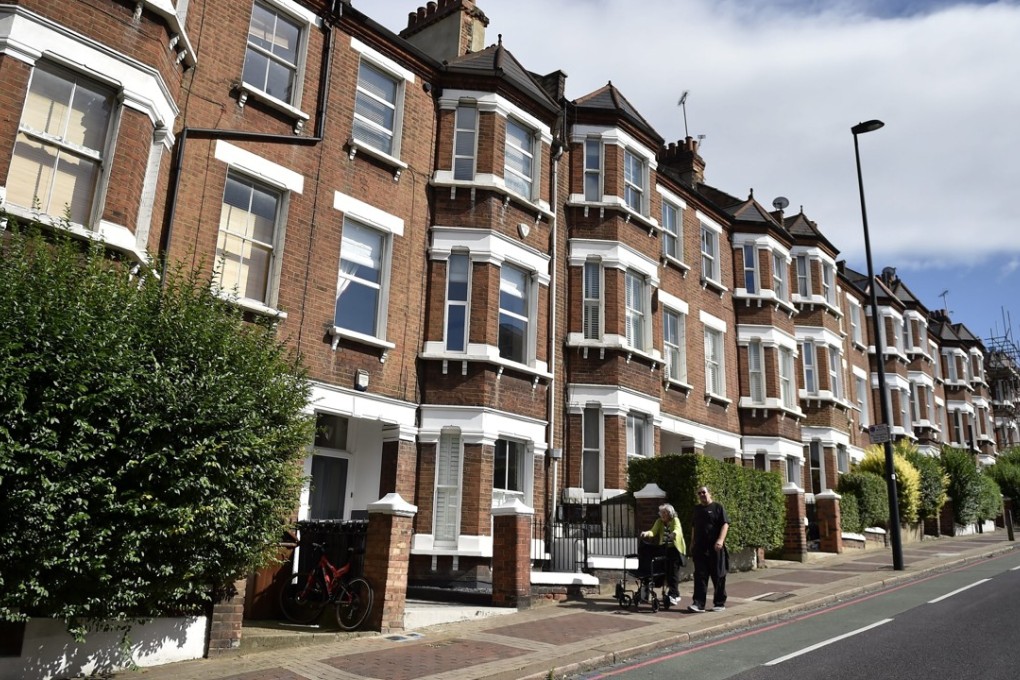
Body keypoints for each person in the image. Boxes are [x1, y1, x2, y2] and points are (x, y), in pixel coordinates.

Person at [688, 486, 729, 613]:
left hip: (715, 548)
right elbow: (694, 527)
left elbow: (725, 524)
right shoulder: (697, 509)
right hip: (700, 548)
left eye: (704, 492)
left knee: (718, 575)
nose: (702, 495)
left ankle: (719, 603)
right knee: (700, 576)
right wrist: (692, 543)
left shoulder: (718, 507)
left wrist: (720, 540)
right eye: (699, 493)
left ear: (709, 493)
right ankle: (698, 604)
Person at [639, 503, 686, 606]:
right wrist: (646, 533)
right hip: (663, 549)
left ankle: (673, 595)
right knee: (663, 571)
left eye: (664, 513)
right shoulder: (659, 521)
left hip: (675, 549)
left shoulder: (675, 520)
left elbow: (677, 529)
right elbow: (653, 531)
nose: (662, 515)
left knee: (673, 573)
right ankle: (673, 593)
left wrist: (673, 534)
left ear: (670, 513)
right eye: (661, 513)